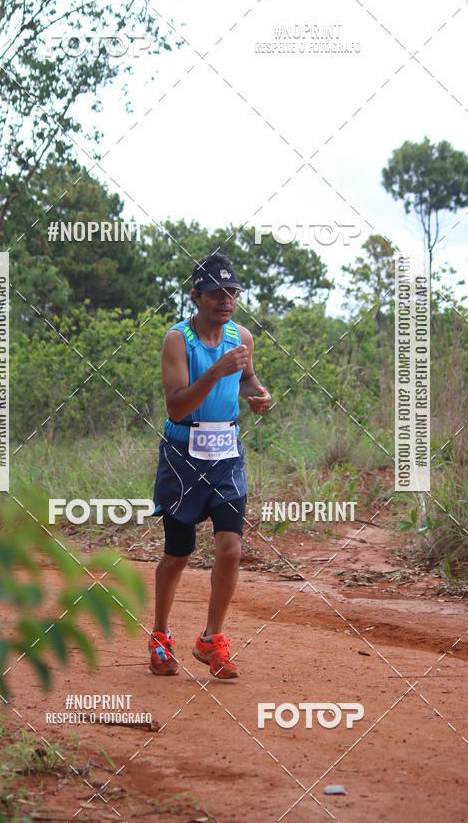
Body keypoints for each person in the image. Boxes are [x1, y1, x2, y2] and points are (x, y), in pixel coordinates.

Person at [148, 253, 272, 679]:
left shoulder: (242, 337)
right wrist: (216, 371)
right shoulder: (177, 340)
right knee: (178, 554)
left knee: (231, 548)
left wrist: (260, 394)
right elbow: (178, 407)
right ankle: (161, 635)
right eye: (217, 293)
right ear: (196, 295)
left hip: (226, 455)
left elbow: (248, 378)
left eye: (232, 292)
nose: (226, 300)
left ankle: (211, 639)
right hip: (183, 456)